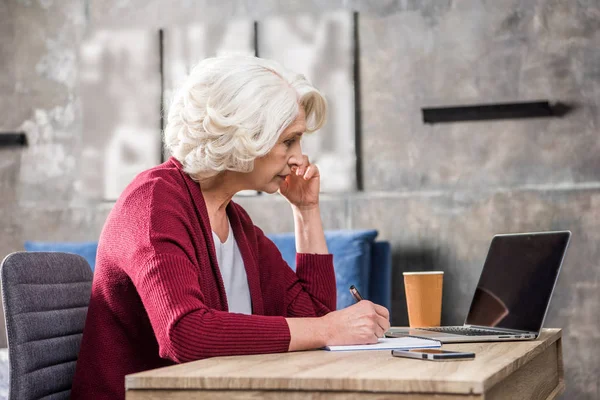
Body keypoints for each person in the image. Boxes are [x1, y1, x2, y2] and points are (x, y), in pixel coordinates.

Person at [71, 55, 390, 399]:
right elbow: (185, 333)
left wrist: (306, 210)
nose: (300, 158)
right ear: (244, 135)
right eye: (288, 141)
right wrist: (328, 329)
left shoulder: (236, 222)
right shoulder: (154, 202)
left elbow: (314, 314)